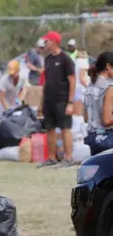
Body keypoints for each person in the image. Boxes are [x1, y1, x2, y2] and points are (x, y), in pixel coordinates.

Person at [37, 31, 76, 168]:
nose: (45, 44)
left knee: (65, 128)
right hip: (49, 101)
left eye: (46, 41)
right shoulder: (48, 59)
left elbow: (72, 80)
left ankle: (69, 158)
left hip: (62, 100)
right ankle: (52, 158)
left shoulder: (65, 59)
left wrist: (70, 103)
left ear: (53, 41)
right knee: (50, 129)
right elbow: (46, 82)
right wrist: (41, 103)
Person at [83, 51, 113, 155]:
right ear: (108, 66)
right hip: (107, 139)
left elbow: (86, 117)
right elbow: (107, 120)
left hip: (92, 139)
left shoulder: (89, 87)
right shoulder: (109, 87)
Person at [73, 50, 90, 116]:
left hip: (75, 88)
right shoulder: (83, 62)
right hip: (81, 90)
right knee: (80, 114)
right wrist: (89, 87)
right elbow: (81, 78)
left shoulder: (75, 61)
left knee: (75, 113)